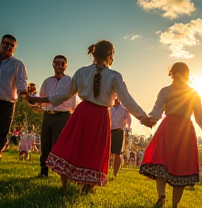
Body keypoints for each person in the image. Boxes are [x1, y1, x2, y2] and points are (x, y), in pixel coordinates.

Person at [28, 39, 152, 193]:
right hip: (100, 116)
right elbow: (127, 100)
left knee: (74, 146)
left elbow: (63, 95)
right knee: (94, 150)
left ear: (94, 53)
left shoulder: (82, 72)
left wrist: (41, 100)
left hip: (82, 113)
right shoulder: (114, 76)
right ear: (110, 54)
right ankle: (87, 185)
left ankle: (65, 183)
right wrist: (144, 117)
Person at [139, 62, 202, 208]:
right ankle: (171, 204)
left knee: (165, 163)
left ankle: (164, 198)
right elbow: (199, 117)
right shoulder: (188, 92)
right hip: (180, 129)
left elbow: (156, 112)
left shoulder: (170, 91)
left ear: (174, 73)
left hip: (174, 128)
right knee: (173, 165)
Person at [37, 55, 76, 177]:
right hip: (47, 115)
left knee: (60, 145)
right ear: (53, 65)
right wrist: (35, 105)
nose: (59, 66)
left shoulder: (70, 81)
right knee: (45, 144)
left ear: (66, 66)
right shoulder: (47, 82)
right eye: (57, 63)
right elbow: (42, 99)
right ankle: (44, 171)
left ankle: (62, 174)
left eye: (62, 63)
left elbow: (73, 103)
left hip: (62, 116)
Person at [0, 34, 28, 156]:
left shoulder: (17, 64)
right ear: (1, 43)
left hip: (6, 103)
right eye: (6, 43)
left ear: (15, 48)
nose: (8, 47)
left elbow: (21, 84)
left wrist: (26, 94)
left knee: (1, 132)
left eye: (12, 45)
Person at [110, 96, 132, 177]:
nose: (115, 99)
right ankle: (104, 171)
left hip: (119, 131)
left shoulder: (124, 109)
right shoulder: (109, 108)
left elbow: (129, 120)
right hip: (109, 131)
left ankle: (115, 174)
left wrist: (127, 129)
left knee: (117, 153)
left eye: (117, 97)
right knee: (107, 151)